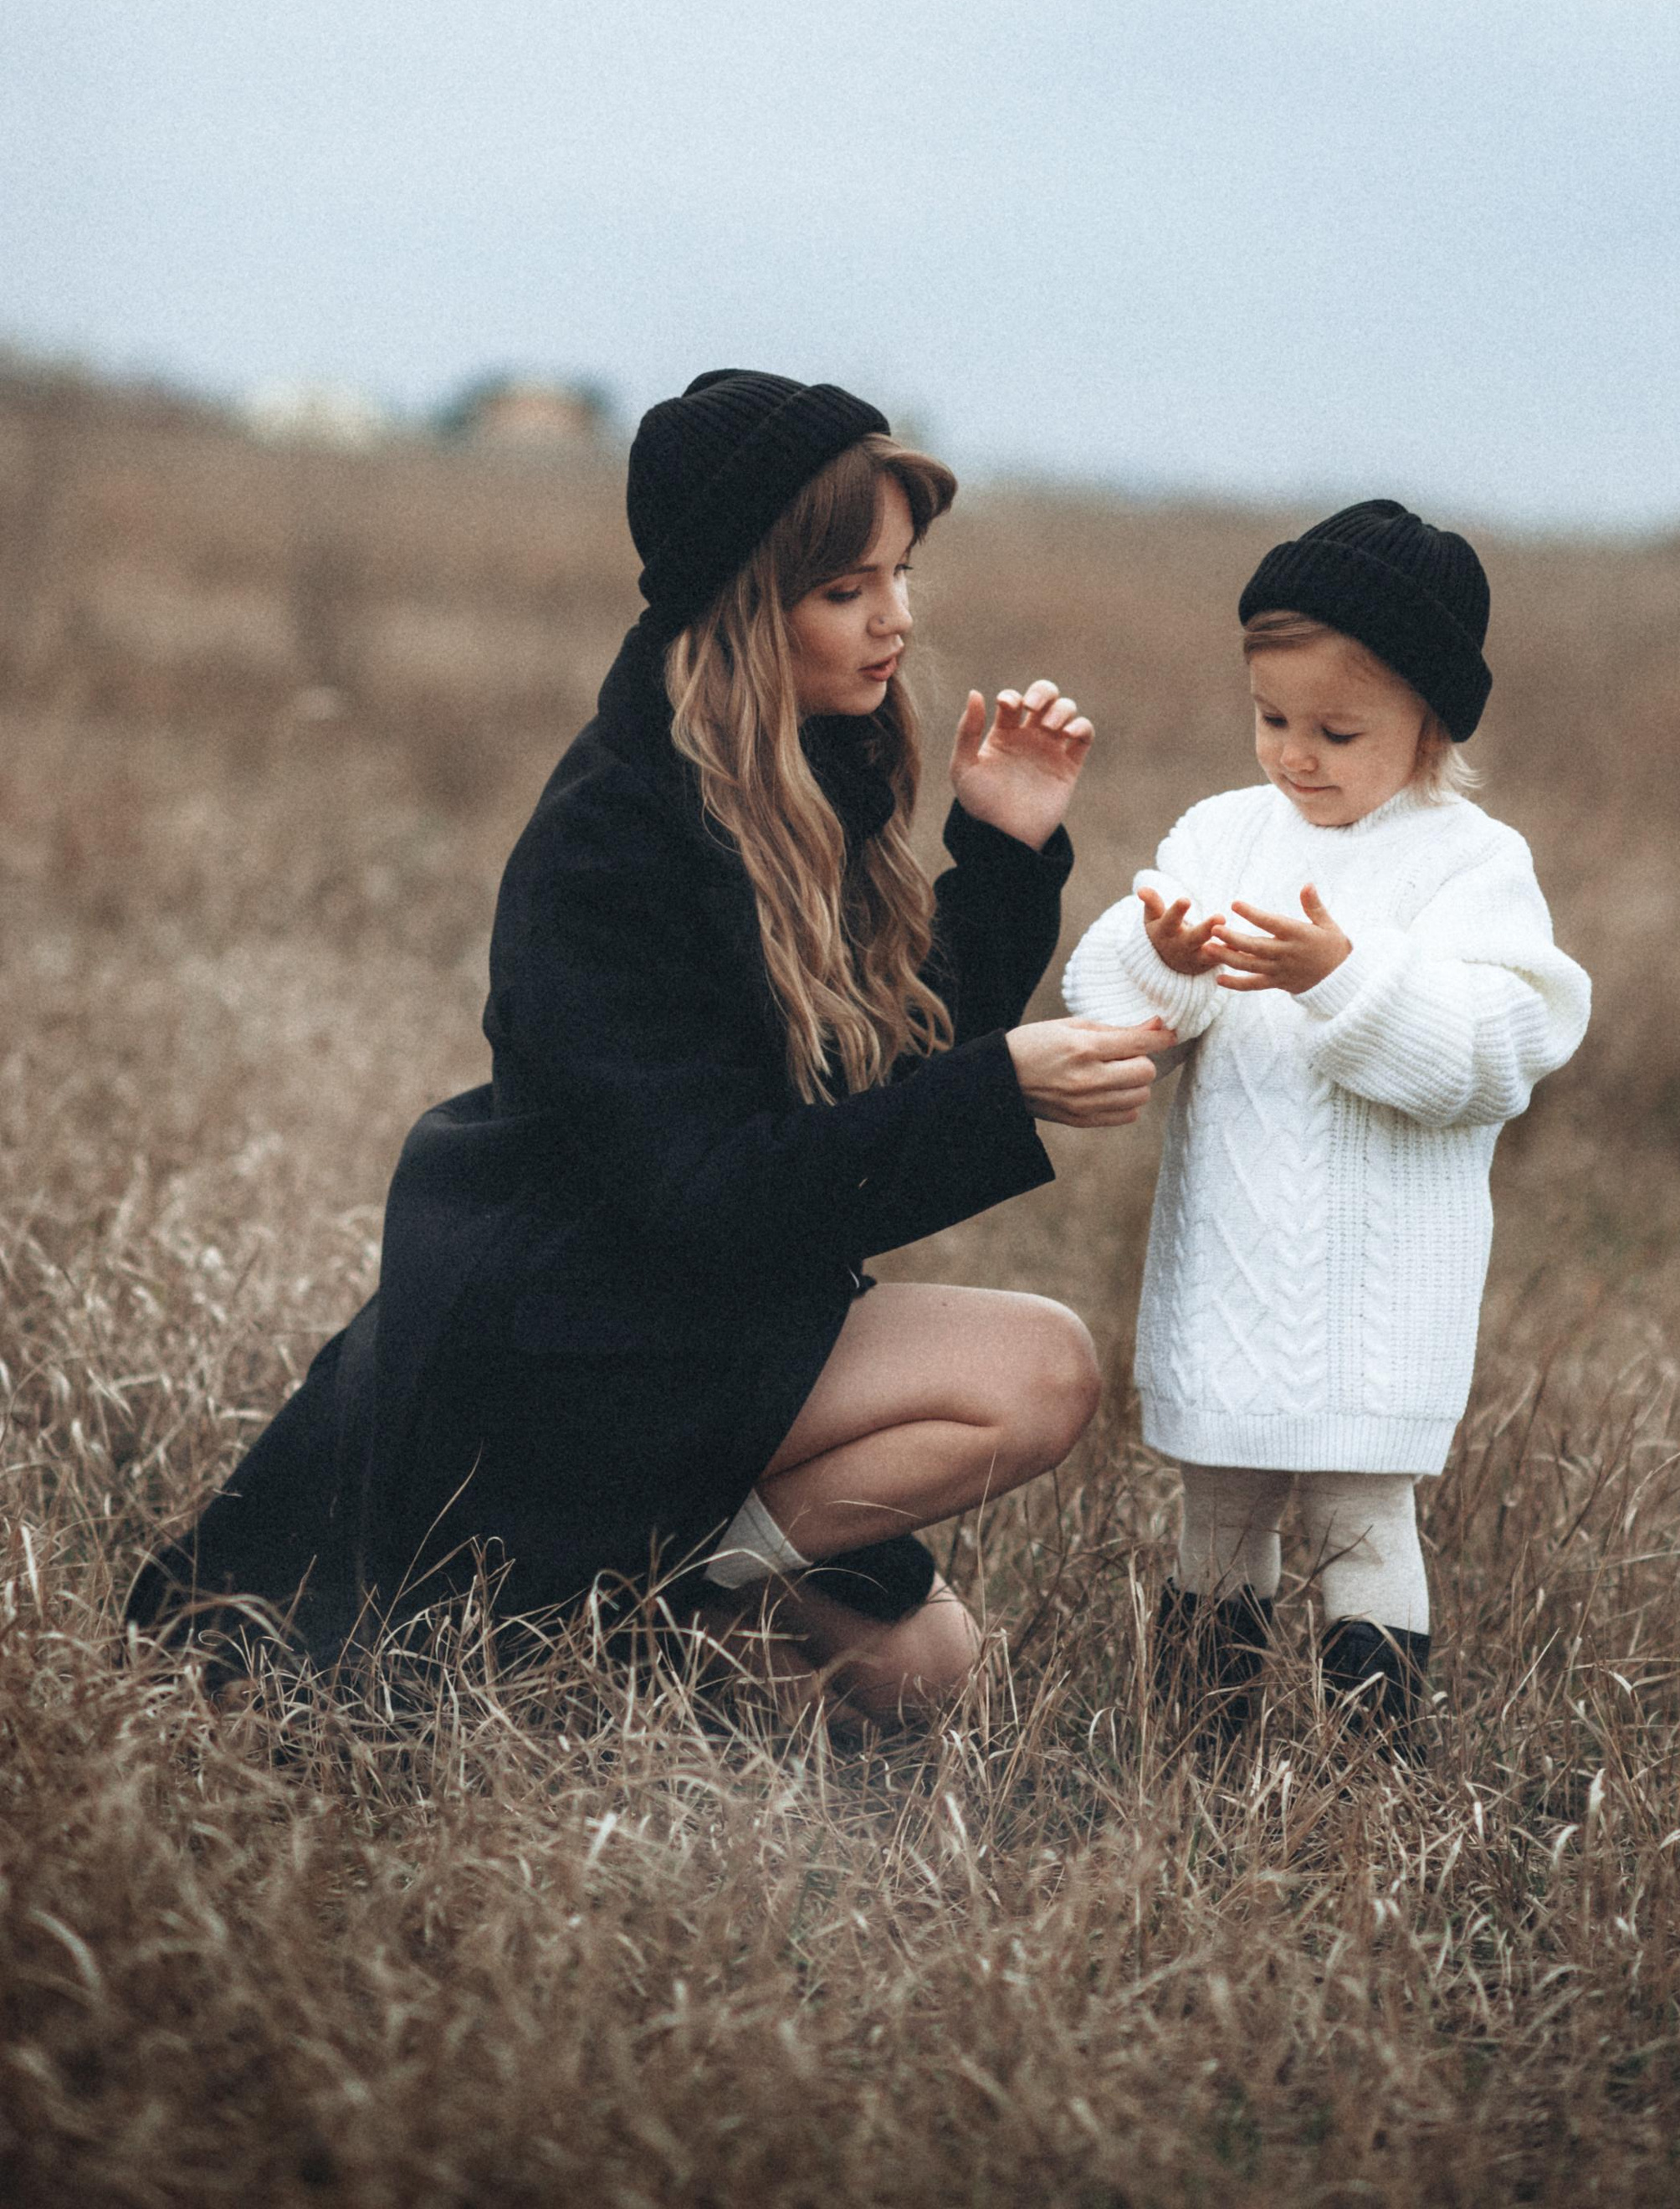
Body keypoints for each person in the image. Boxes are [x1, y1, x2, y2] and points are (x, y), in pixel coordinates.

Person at [127, 368, 1167, 1721]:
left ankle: (626, 1625)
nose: (898, 620)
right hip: (568, 1344)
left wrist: (1005, 852)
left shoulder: (813, 768)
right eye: (848, 591)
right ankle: (607, 1603)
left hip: (695, 1317)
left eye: (904, 576)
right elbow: (711, 1194)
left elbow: (877, 1071)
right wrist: (1004, 1089)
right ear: (745, 598)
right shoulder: (612, 839)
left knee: (920, 1672)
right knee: (1039, 1369)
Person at [1062, 500, 1590, 1732]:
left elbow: (1495, 1051)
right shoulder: (1222, 833)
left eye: (1339, 730)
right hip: (1232, 1262)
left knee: (1359, 1517)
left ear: (1431, 720)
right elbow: (1111, 1003)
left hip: (1376, 1289)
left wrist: (1340, 977)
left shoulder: (1469, 864)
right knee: (1221, 1512)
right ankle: (1198, 1746)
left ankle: (1367, 1782)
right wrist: (1166, 959)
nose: (1298, 755)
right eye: (1273, 719)